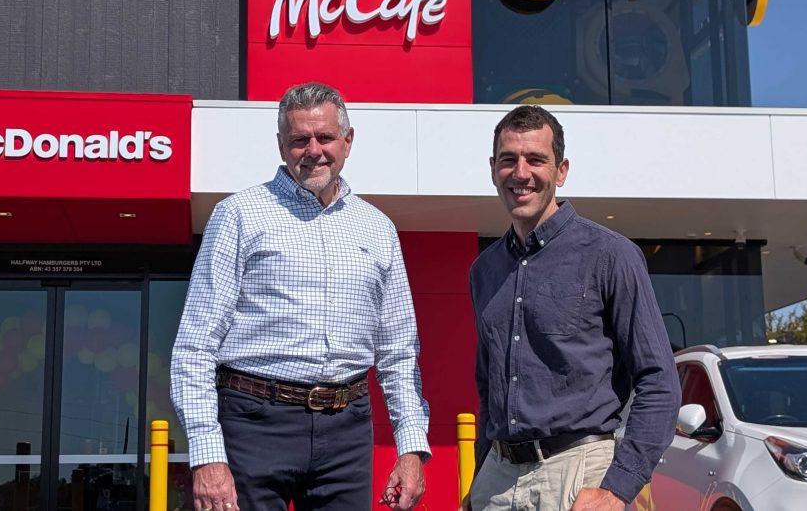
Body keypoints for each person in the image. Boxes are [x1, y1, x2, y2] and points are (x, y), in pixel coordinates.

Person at [171, 82, 430, 511]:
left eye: (325, 137)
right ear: (281, 145)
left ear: (347, 141)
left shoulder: (378, 229)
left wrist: (411, 447)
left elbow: (398, 352)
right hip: (254, 424)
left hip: (347, 430)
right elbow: (195, 347)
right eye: (299, 140)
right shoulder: (238, 215)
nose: (313, 151)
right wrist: (207, 455)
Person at [462, 105, 679, 511]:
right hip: (497, 478)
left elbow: (659, 380)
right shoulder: (484, 271)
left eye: (536, 159)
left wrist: (618, 487)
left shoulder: (610, 255)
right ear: (493, 169)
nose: (521, 173)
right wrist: (479, 481)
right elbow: (489, 387)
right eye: (508, 160)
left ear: (561, 171)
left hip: (578, 474)